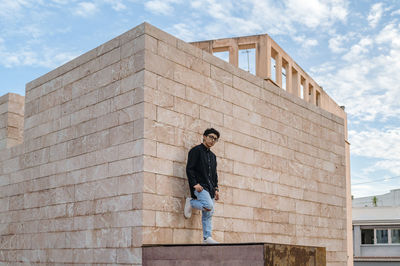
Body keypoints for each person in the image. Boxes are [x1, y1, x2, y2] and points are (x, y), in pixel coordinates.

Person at [184, 128, 220, 244]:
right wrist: (194, 184)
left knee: (209, 213)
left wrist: (216, 189)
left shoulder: (213, 156)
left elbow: (214, 174)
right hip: (200, 187)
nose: (212, 140)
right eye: (211, 137)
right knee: (208, 206)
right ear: (204, 136)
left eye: (215, 139)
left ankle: (207, 238)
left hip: (210, 189)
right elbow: (190, 169)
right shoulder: (196, 150)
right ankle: (191, 202)